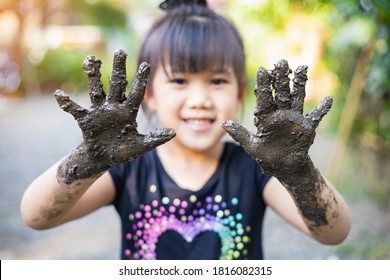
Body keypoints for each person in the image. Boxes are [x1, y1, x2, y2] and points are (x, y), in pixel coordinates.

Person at [20, 0, 351, 260]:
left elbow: (334, 233)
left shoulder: (257, 170)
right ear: (148, 94)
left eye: (217, 81)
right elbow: (36, 217)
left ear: (240, 93)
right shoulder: (127, 169)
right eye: (179, 81)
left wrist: (298, 173)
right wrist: (88, 158)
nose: (200, 99)